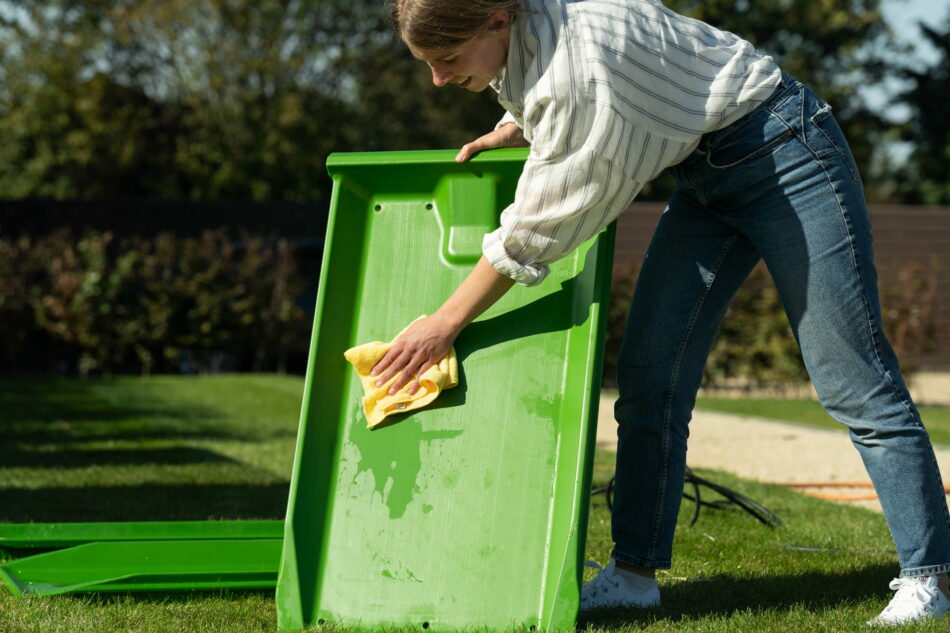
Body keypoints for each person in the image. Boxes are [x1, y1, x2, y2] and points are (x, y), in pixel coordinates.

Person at [373, 0, 950, 625]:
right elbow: (557, 89)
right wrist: (519, 126)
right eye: (428, 64)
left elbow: (536, 231)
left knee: (852, 378)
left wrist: (444, 322)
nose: (438, 79)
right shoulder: (533, 30)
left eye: (447, 60)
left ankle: (931, 578)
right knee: (651, 377)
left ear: (495, 19)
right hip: (705, 172)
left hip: (787, 154)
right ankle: (633, 577)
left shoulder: (580, 70)